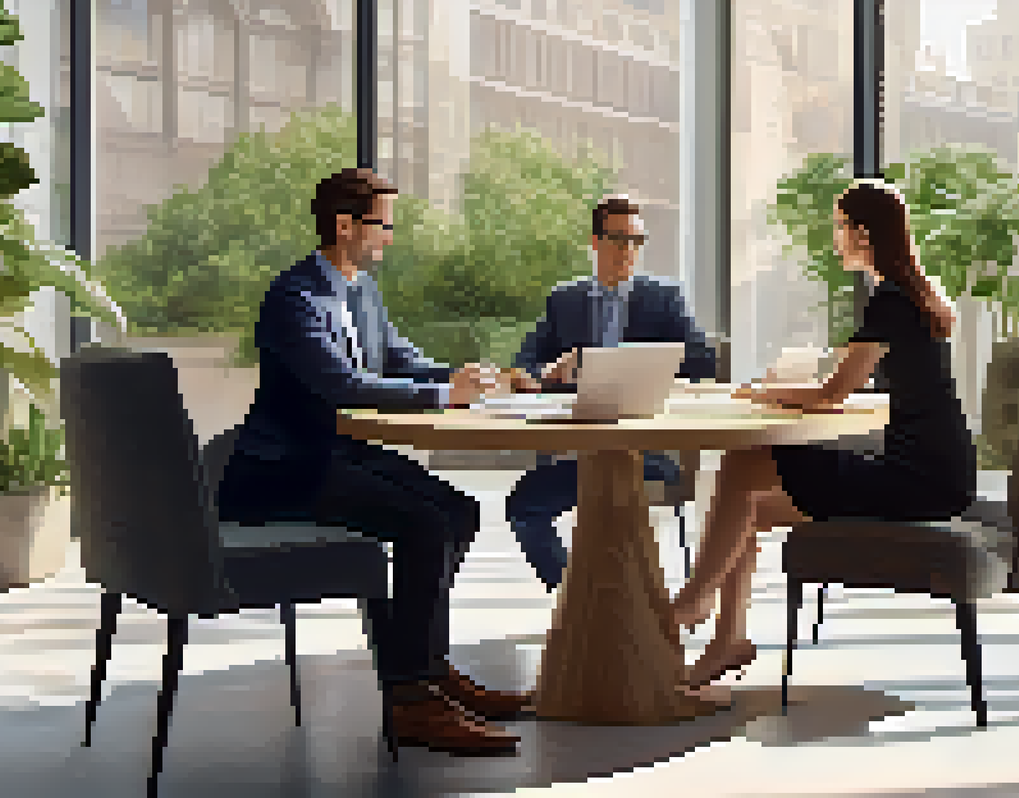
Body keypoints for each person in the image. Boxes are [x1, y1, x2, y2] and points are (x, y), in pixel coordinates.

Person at [216, 168, 530, 756]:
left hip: (329, 455)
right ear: (344, 225)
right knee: (425, 523)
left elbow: (399, 360)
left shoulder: (360, 290)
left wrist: (469, 379)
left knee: (457, 511)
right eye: (383, 225)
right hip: (279, 472)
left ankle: (428, 669)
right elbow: (341, 384)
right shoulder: (294, 298)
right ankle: (410, 700)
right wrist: (444, 397)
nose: (390, 237)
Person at [668, 180, 975, 687]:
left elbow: (833, 392)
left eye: (838, 225)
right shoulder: (916, 291)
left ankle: (693, 600)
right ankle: (729, 641)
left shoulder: (891, 301)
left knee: (743, 465)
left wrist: (761, 394)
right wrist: (787, 389)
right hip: (940, 473)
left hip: (917, 479)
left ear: (861, 232)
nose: (834, 237)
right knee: (746, 506)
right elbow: (859, 384)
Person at [507, 195, 717, 590]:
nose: (629, 250)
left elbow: (705, 364)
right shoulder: (565, 301)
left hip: (646, 454)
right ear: (595, 242)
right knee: (524, 506)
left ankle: (601, 605)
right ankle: (580, 597)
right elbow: (524, 366)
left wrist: (622, 361)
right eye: (619, 239)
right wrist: (547, 371)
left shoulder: (663, 298)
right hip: (578, 451)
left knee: (604, 500)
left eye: (637, 240)